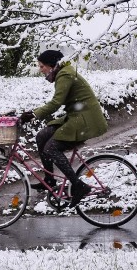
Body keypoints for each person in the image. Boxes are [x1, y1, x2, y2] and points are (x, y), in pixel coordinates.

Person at [19, 49, 108, 206]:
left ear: (51, 65)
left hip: (85, 119)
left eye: (41, 66)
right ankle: (50, 180)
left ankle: (79, 186)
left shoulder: (64, 74)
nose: (40, 70)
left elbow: (56, 103)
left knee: (51, 148)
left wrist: (33, 114)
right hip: (77, 116)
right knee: (41, 136)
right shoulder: (62, 72)